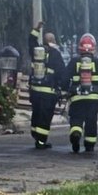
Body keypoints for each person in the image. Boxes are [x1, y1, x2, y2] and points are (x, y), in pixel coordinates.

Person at [64, 33, 98, 154]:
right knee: (91, 121)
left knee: (76, 118)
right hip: (93, 99)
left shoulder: (74, 61)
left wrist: (65, 91)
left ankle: (75, 134)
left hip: (77, 98)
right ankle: (89, 146)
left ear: (80, 48)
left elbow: (64, 79)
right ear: (94, 48)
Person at [27, 22, 66, 150]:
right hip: (48, 92)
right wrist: (63, 88)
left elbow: (31, 41)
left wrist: (36, 30)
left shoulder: (37, 52)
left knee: (36, 113)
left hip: (35, 91)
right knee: (45, 117)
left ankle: (35, 133)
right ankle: (41, 142)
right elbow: (62, 73)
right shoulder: (56, 54)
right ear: (53, 41)